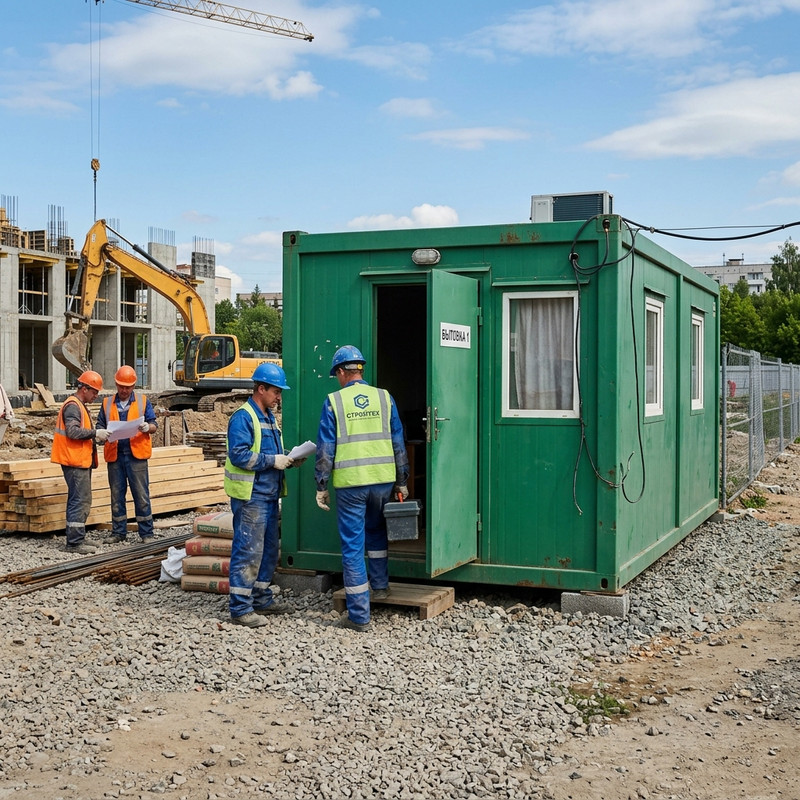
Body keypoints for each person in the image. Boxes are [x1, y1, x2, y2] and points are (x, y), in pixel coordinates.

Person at [315, 346, 409, 633]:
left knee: (353, 545)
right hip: (382, 480)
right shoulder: (384, 398)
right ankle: (379, 587)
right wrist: (402, 481)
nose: (337, 380)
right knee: (377, 532)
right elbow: (398, 442)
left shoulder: (334, 402)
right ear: (361, 370)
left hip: (351, 484)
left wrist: (321, 484)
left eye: (337, 375)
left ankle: (359, 615)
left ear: (343, 372)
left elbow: (325, 449)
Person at [223, 363, 297, 628]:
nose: (279, 398)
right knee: (248, 551)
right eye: (276, 392)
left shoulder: (267, 416)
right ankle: (240, 608)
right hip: (251, 496)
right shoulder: (244, 417)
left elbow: (266, 452)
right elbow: (239, 455)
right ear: (260, 388)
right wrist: (272, 461)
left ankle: (261, 597)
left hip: (267, 494)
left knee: (267, 550)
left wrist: (286, 459)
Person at [96, 365, 158, 545]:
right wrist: (101, 433)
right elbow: (100, 424)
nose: (124, 390)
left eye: (127, 387)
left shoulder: (142, 401)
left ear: (133, 386)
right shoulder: (107, 403)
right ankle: (118, 532)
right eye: (121, 386)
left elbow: (153, 424)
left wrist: (148, 427)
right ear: (116, 384)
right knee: (117, 495)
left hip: (136, 455)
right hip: (115, 455)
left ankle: (146, 532)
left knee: (141, 495)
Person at [50, 370, 109, 554]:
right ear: (84, 388)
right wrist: (95, 433)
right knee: (79, 501)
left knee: (81, 499)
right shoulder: (73, 406)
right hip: (73, 460)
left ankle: (78, 536)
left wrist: (96, 437)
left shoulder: (79, 405)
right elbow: (73, 432)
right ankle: (74, 543)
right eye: (94, 392)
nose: (96, 396)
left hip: (79, 460)